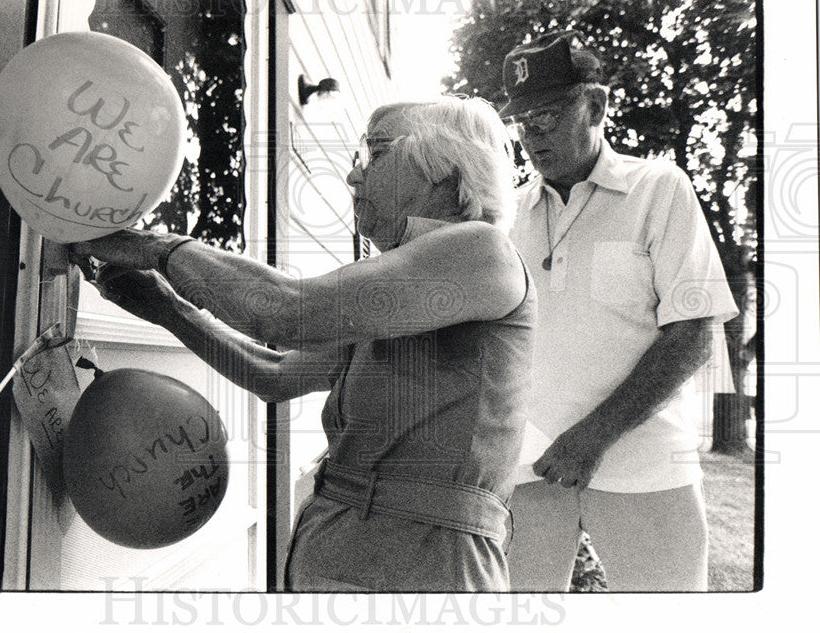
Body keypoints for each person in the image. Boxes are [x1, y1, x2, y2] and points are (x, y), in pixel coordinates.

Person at [70, 97, 536, 592]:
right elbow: (273, 372)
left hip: (425, 561)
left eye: (375, 156)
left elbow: (285, 312)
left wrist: (152, 248)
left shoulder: (482, 250)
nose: (354, 177)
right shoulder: (415, 282)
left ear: (445, 170)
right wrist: (167, 309)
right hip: (350, 546)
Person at [498, 31, 739, 592]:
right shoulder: (507, 213)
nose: (532, 136)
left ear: (597, 105)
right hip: (525, 471)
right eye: (522, 122)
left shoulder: (659, 188)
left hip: (645, 465)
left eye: (550, 116)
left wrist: (592, 438)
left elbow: (692, 333)